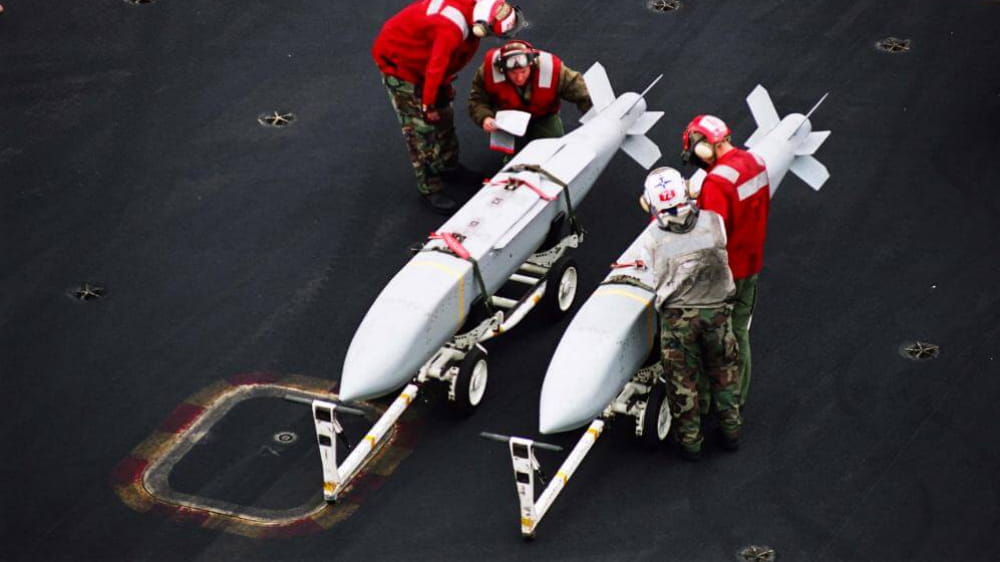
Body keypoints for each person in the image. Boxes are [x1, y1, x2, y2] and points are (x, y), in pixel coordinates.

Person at [372, 0, 523, 214]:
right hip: (402, 68)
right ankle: (429, 188)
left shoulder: (473, 15)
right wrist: (428, 104)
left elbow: (446, 61)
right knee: (420, 131)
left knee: (445, 116)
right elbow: (436, 65)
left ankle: (448, 166)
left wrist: (443, 89)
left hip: (430, 63)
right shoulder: (451, 29)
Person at [639, 167, 742, 460]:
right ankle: (731, 433)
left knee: (682, 383)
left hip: (677, 319)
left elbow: (651, 268)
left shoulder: (652, 237)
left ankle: (691, 444)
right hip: (717, 312)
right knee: (724, 373)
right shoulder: (714, 221)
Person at [680, 115, 770, 407]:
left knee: (709, 340)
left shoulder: (716, 183)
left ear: (706, 146)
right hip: (751, 266)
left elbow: (709, 239)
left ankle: (707, 404)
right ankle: (736, 401)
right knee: (739, 333)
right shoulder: (755, 162)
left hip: (724, 276)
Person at [468, 40, 592, 154]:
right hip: (507, 121)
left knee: (553, 150)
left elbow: (582, 92)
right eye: (513, 73)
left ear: (531, 65)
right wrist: (485, 118)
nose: (519, 78)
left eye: (523, 71)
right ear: (503, 70)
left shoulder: (552, 69)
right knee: (512, 160)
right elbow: (477, 100)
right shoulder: (487, 72)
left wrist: (593, 117)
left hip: (543, 116)